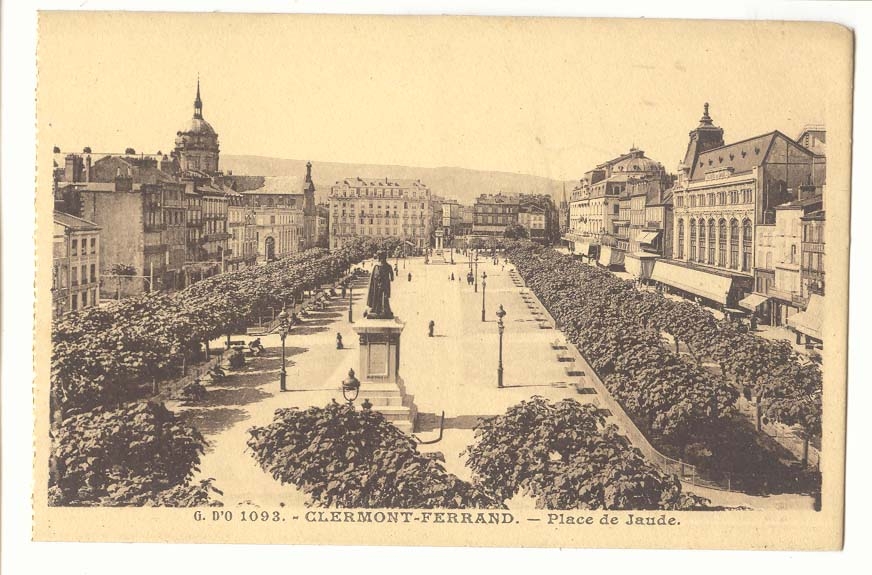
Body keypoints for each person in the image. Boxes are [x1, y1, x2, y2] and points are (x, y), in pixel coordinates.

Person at [367, 250, 395, 319]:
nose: (379, 258)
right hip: (383, 285)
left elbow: (375, 277)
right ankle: (383, 310)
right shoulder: (388, 266)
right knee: (383, 298)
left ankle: (378, 310)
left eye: (379, 257)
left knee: (378, 297)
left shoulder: (377, 266)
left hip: (379, 286)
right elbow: (392, 278)